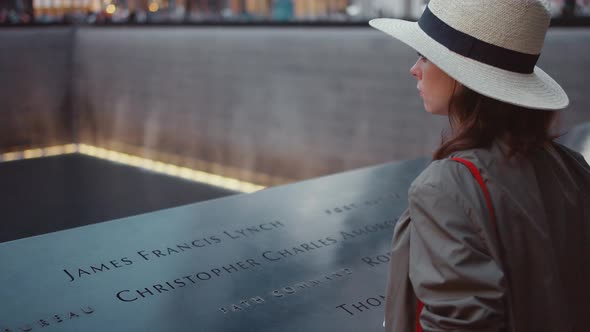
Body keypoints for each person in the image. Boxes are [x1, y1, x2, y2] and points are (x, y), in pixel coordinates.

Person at [369, 0, 590, 331]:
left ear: (460, 73)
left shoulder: (445, 188)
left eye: (425, 56)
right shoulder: (572, 167)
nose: (414, 68)